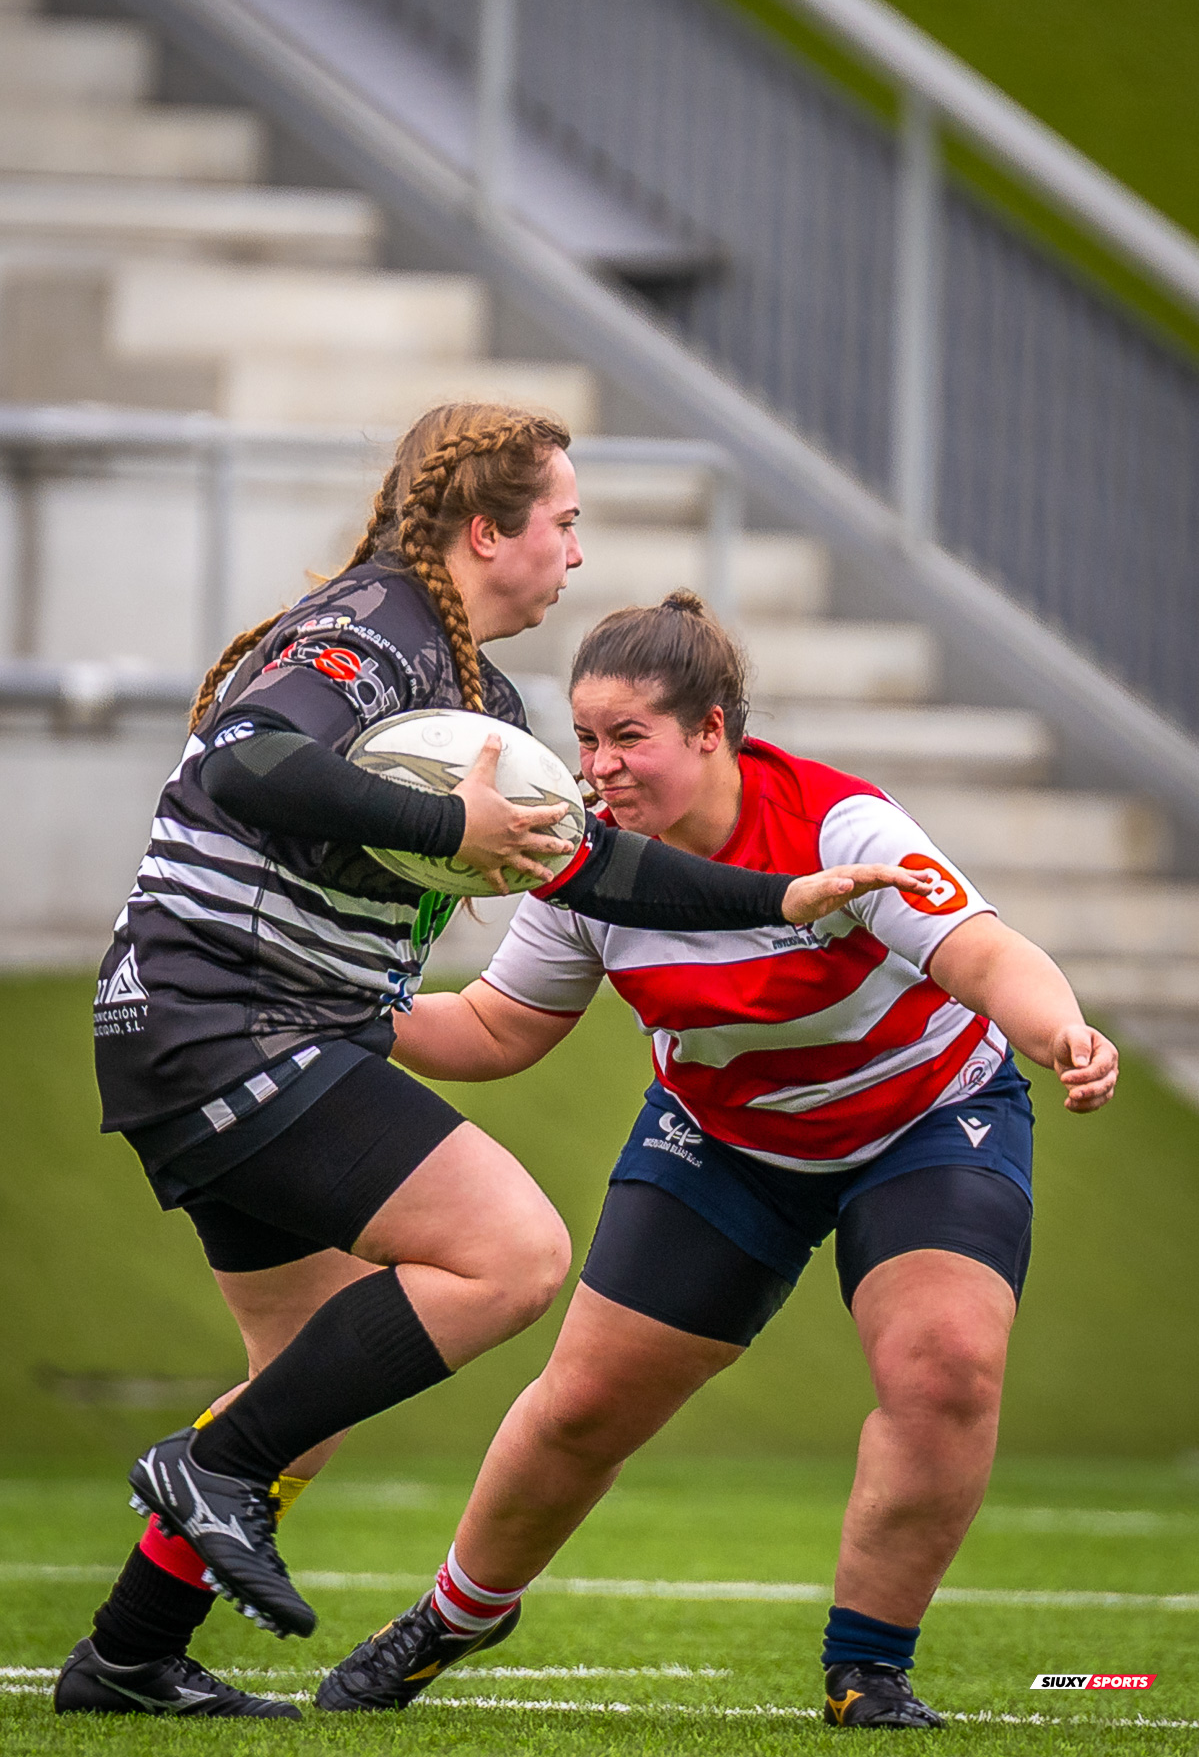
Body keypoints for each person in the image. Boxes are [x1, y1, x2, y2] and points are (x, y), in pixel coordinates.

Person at [56, 413, 932, 1721]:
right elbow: (247, 757)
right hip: (226, 1020)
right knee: (509, 1254)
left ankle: (126, 1657)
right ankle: (213, 1471)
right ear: (486, 531)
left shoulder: (480, 695)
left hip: (226, 1030)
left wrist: (779, 892)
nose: (576, 552)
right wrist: (443, 821)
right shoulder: (375, 633)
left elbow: (590, 866)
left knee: (310, 1382)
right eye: (561, 522)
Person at [314, 590, 1119, 1729]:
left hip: (926, 1119)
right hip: (727, 1139)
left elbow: (981, 952)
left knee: (944, 1370)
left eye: (627, 737)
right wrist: (350, 1015)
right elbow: (498, 1028)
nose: (597, 768)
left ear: (711, 729)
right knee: (584, 1405)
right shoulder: (583, 862)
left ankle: (866, 1672)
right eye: (585, 739)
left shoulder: (840, 829)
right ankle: (455, 1614)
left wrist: (1059, 1032)